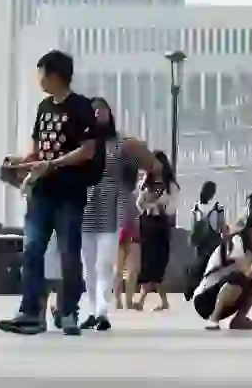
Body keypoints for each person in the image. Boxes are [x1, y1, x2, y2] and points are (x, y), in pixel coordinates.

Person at [0, 50, 100, 336]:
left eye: (40, 72)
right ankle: (31, 312)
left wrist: (53, 163)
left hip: (69, 192)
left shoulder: (81, 107)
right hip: (41, 192)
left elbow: (88, 150)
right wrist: (19, 161)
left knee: (69, 252)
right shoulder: (44, 108)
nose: (38, 78)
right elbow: (36, 149)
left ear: (54, 74)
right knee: (31, 249)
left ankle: (68, 310)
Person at [80, 98, 157, 330]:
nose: (98, 116)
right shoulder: (82, 143)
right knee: (88, 265)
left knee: (105, 262)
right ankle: (92, 309)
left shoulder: (120, 144)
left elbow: (142, 167)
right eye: (94, 112)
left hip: (111, 208)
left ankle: (102, 311)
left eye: (102, 112)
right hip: (85, 208)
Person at [193, 210, 252, 331]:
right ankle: (213, 319)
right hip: (204, 301)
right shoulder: (236, 242)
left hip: (226, 301)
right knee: (238, 277)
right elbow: (247, 273)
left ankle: (239, 319)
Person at [134, 151, 176, 311]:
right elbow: (139, 204)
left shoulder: (170, 186)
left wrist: (158, 205)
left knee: (157, 263)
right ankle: (147, 300)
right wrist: (150, 204)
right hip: (147, 224)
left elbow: (171, 208)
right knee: (148, 263)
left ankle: (143, 299)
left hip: (161, 225)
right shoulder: (145, 182)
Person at [115, 168, 143, 310]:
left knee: (118, 270)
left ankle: (118, 301)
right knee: (132, 270)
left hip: (117, 233)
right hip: (131, 234)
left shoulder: (114, 193)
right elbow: (137, 214)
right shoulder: (133, 195)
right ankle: (128, 301)